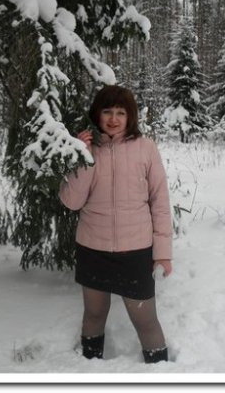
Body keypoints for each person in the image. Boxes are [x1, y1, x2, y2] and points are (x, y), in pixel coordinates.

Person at [59, 85, 173, 364]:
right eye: (107, 111)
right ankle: (89, 369)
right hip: (92, 249)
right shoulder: (85, 148)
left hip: (135, 251)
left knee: (146, 321)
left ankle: (161, 373)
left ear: (130, 116)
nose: (113, 119)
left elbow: (160, 202)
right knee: (94, 315)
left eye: (121, 113)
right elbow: (71, 202)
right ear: (97, 114)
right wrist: (83, 157)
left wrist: (163, 254)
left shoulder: (146, 148)